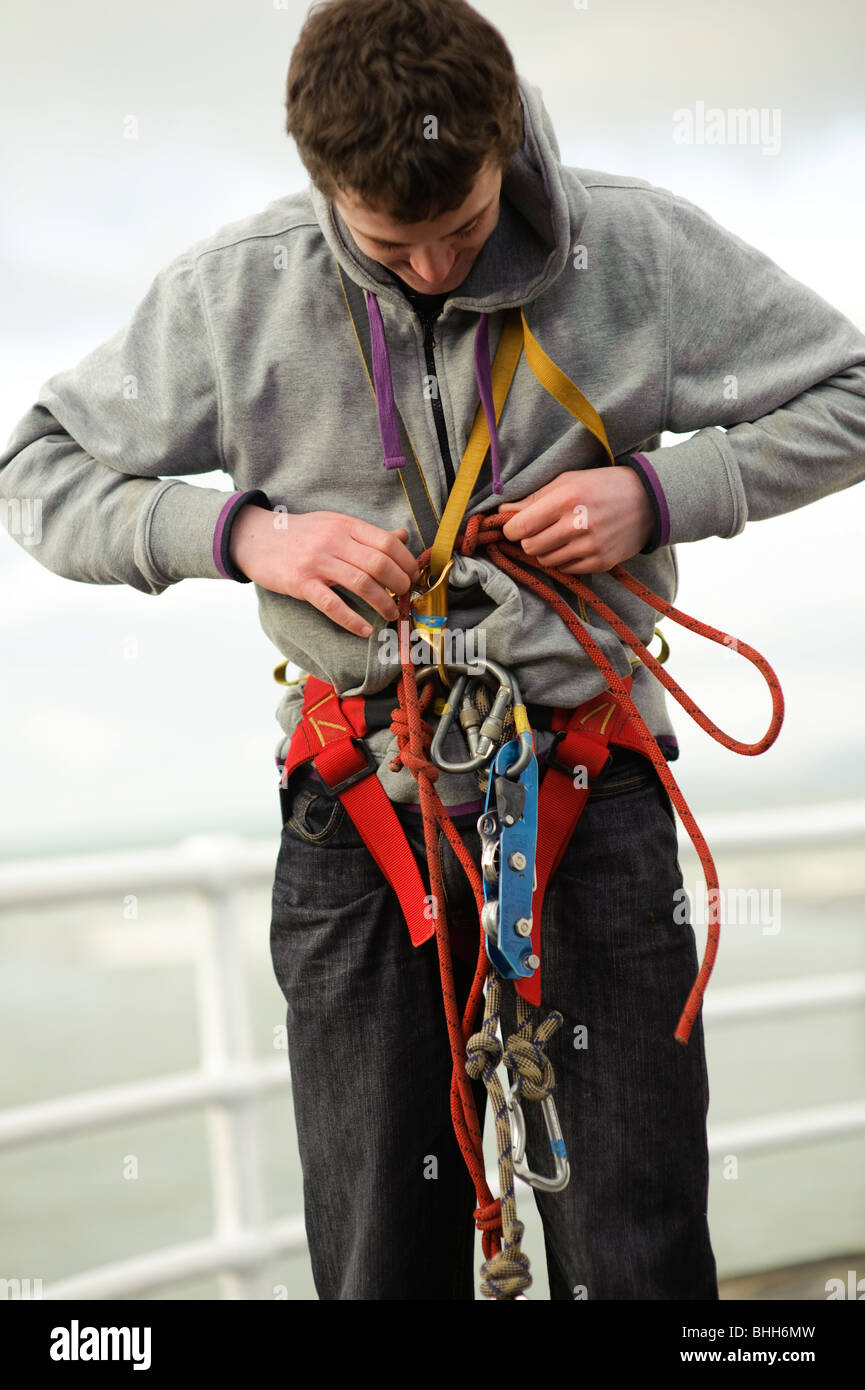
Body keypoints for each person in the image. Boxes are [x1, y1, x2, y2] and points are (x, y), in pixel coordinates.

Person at [1, 0, 864, 1302]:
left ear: (505, 143)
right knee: (376, 1260)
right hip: (359, 817)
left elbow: (850, 390)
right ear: (320, 183)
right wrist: (245, 537)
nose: (428, 270)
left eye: (458, 229)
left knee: (636, 1254)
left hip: (595, 789)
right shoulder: (235, 293)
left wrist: (661, 495)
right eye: (385, 241)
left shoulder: (635, 249)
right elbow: (37, 476)